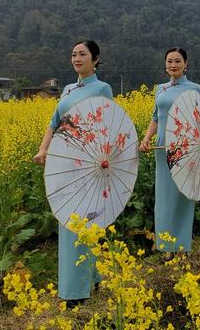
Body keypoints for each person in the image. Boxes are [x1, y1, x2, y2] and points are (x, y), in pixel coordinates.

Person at [33, 40, 113, 304]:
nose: (77, 58)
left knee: (86, 220)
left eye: (83, 54)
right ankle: (85, 281)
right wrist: (43, 149)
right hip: (64, 161)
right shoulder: (67, 90)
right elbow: (53, 123)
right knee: (67, 219)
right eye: (73, 54)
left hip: (88, 163)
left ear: (95, 59)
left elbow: (108, 124)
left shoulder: (102, 88)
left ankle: (78, 291)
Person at [139, 47, 200, 254]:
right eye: (169, 61)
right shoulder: (161, 89)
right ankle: (166, 245)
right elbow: (156, 117)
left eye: (177, 61)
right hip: (162, 146)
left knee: (182, 194)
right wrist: (147, 138)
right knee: (164, 195)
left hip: (185, 147)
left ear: (186, 64)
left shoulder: (194, 88)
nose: (173, 65)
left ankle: (181, 245)